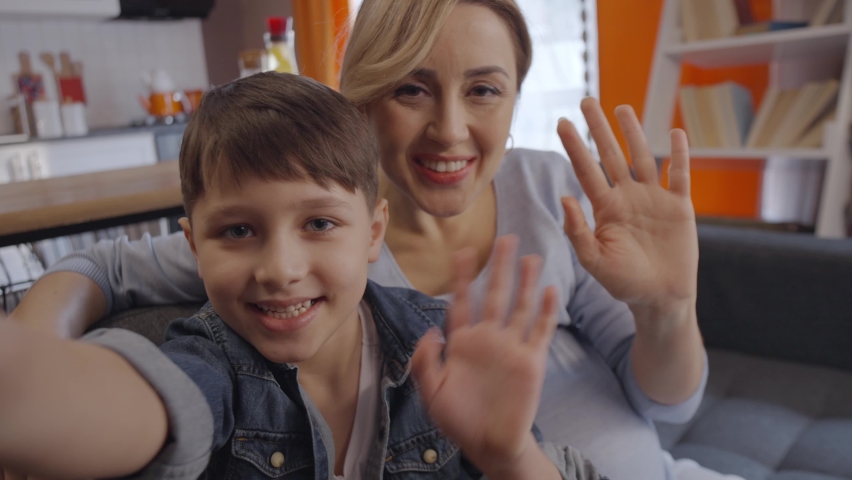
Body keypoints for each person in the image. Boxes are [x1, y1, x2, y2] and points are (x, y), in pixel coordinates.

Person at [7, 0, 710, 478]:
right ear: (365, 98)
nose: (450, 130)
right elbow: (109, 296)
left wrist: (669, 307)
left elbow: (669, 405)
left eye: (484, 90)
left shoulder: (551, 188)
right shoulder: (302, 234)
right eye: (412, 89)